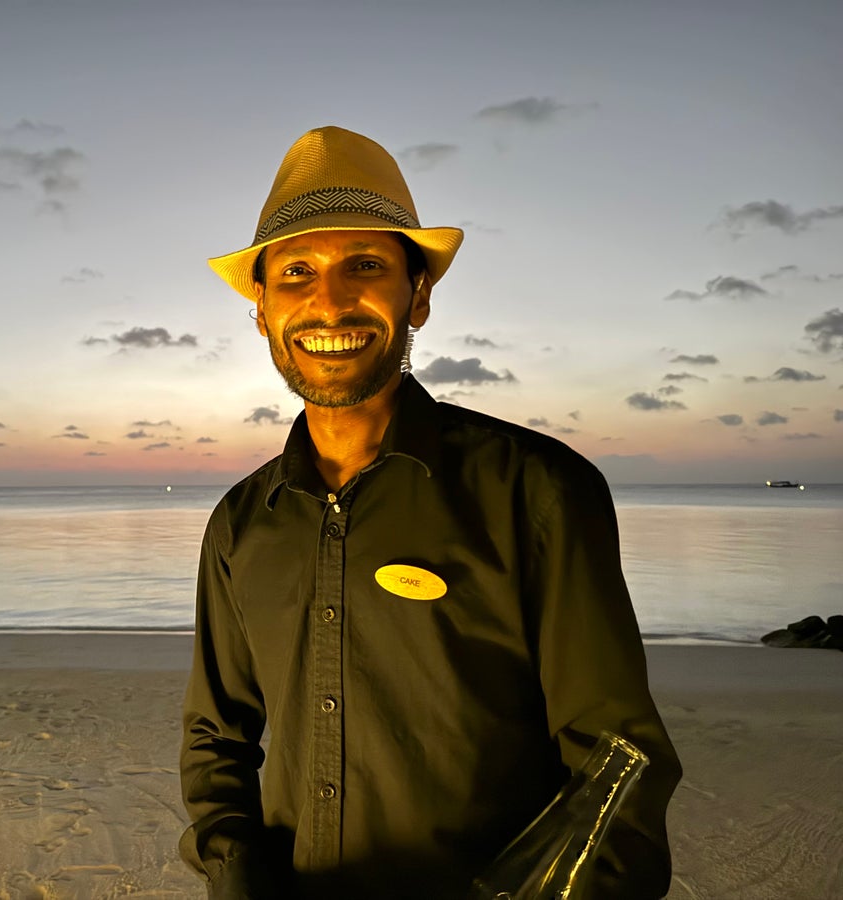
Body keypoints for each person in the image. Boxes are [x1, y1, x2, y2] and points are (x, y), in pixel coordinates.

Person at [179, 125, 681, 899]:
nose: (329, 300)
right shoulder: (243, 524)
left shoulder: (536, 491)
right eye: (297, 272)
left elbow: (617, 765)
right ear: (262, 310)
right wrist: (234, 873)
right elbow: (217, 740)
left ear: (418, 297)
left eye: (366, 266)